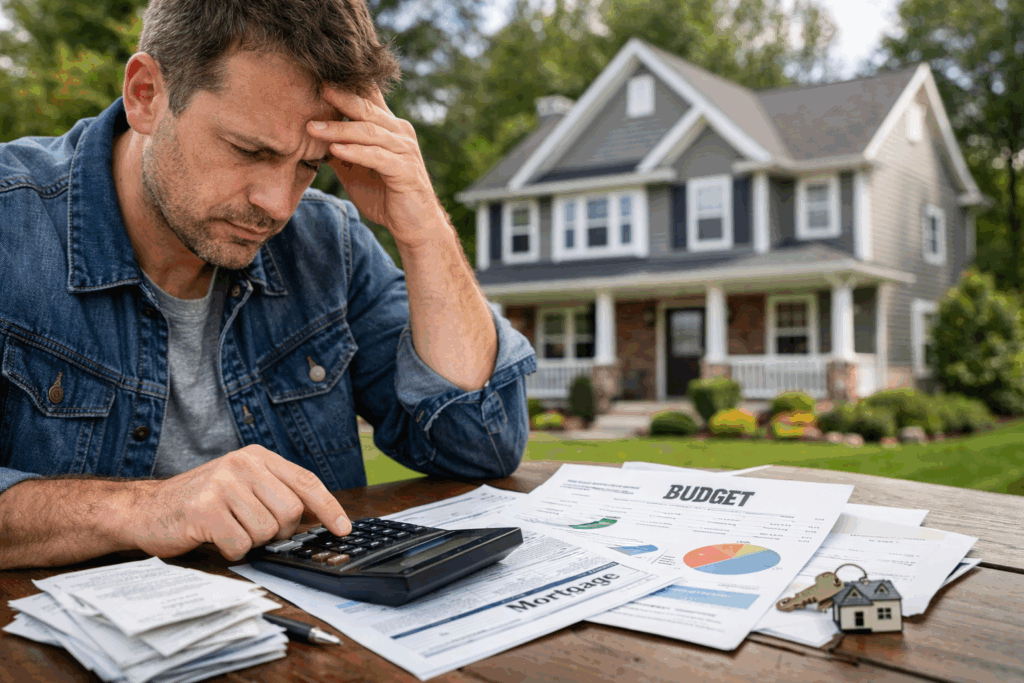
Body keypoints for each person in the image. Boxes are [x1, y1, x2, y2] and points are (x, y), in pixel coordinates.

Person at [0, 0, 535, 569]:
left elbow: (480, 445)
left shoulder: (328, 242)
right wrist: (143, 508)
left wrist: (423, 226)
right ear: (146, 94)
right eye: (250, 151)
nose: (277, 205)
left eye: (309, 165)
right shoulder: (13, 226)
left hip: (314, 643)